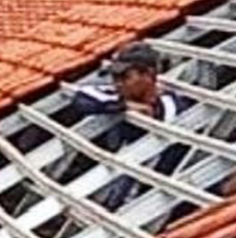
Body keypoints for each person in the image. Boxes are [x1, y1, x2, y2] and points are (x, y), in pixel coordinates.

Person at [72, 42, 190, 209]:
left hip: (154, 184)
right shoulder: (120, 96)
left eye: (125, 77)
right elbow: (82, 97)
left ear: (148, 74)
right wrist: (124, 106)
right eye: (115, 78)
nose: (118, 84)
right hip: (125, 170)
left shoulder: (172, 107)